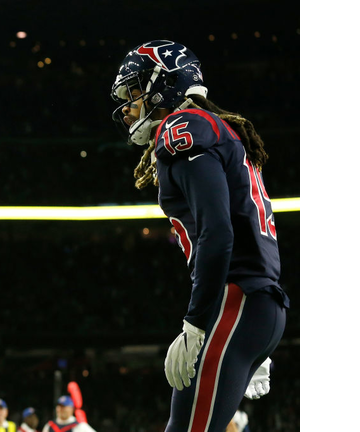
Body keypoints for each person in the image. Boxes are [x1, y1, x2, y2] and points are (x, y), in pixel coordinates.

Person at [110, 40, 290, 432]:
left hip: (236, 301)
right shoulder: (218, 129)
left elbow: (218, 232)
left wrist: (196, 321)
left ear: (165, 84)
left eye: (136, 91)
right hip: (257, 302)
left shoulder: (183, 126)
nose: (129, 106)